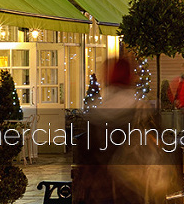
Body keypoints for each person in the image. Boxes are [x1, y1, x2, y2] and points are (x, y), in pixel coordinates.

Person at [74, 56, 177, 203]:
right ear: (130, 77)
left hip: (102, 193)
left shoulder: (95, 115)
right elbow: (160, 146)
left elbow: (85, 162)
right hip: (134, 191)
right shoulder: (142, 110)